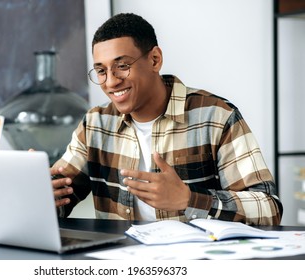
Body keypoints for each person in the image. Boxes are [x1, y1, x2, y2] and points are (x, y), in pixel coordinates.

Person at [50, 12, 283, 225]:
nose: (111, 82)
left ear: (154, 60)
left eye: (122, 66)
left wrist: (190, 199)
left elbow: (268, 208)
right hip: (121, 263)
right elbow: (60, 196)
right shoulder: (95, 124)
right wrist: (41, 194)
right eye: (101, 71)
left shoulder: (216, 116)